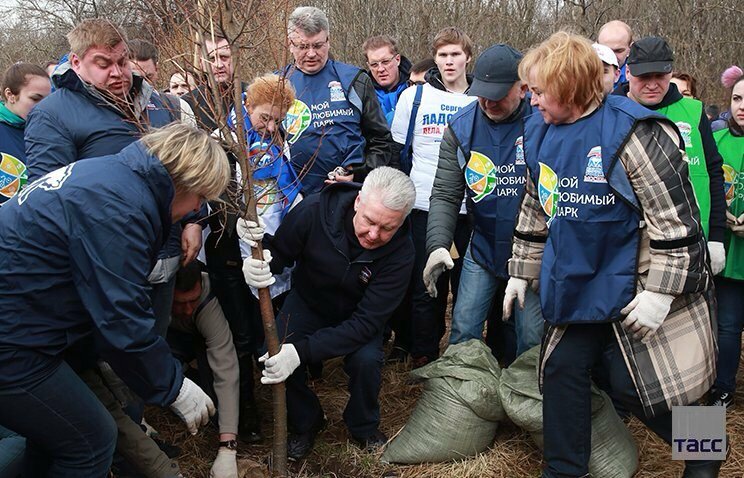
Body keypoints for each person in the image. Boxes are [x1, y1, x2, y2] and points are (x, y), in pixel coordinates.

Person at [505, 31, 721, 478]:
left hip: (634, 280)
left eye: (541, 91)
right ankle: (565, 470)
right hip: (576, 279)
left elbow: (676, 220)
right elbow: (535, 204)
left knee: (644, 386)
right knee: (562, 372)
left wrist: (662, 292)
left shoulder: (635, 132)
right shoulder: (539, 131)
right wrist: (520, 271)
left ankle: (705, 449)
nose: (534, 100)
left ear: (569, 87)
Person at [0, 123, 228, 476]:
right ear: (185, 181)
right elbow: (121, 315)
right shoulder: (120, 208)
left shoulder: (112, 175)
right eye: (200, 197)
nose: (196, 208)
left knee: (53, 439)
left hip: (24, 322)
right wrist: (172, 386)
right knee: (89, 444)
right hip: (12, 339)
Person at [242, 167, 415, 460]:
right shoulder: (313, 211)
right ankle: (307, 421)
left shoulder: (402, 253)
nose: (374, 234)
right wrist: (258, 262)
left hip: (357, 317)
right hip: (310, 302)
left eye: (388, 228)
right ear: (358, 201)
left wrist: (301, 352)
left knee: (367, 361)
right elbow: (279, 253)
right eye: (370, 221)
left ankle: (362, 425)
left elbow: (365, 324)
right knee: (271, 355)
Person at [424, 43, 544, 358]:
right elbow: (447, 193)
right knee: (463, 325)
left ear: (522, 88)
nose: (488, 102)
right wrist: (438, 243)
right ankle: (460, 394)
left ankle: (528, 397)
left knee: (531, 334)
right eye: (482, 93)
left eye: (498, 94)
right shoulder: (461, 127)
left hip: (532, 250)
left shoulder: (543, 122)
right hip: (484, 244)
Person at [205, 73, 300, 442]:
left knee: (274, 329)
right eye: (265, 117)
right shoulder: (223, 142)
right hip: (232, 254)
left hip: (272, 247)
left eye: (278, 119)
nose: (271, 125)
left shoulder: (278, 142)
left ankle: (285, 409)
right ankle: (244, 418)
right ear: (247, 106)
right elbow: (210, 196)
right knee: (240, 338)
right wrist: (233, 223)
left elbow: (286, 189)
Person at [389, 27, 476, 366]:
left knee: (467, 286)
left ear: (467, 56)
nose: (449, 61)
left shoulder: (479, 98)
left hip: (471, 208)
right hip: (425, 205)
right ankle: (423, 354)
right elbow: (397, 151)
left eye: (455, 54)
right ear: (434, 60)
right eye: (442, 55)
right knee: (427, 284)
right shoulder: (416, 98)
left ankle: (464, 359)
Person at [615, 36, 727, 276]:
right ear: (628, 73)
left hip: (687, 245)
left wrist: (717, 236)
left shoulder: (693, 111)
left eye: (660, 76)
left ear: (671, 72)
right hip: (625, 247)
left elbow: (714, 172)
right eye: (644, 77)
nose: (653, 84)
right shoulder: (611, 111)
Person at [283, 6, 394, 192]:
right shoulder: (277, 84)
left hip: (348, 193)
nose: (311, 53)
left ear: (328, 41)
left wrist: (358, 173)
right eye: (303, 46)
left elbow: (381, 141)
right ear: (290, 44)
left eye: (318, 45)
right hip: (293, 196)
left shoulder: (355, 79)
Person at [167, 261, 241, 478]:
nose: (188, 309)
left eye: (193, 300)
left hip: (196, 336)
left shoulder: (207, 299)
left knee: (215, 395)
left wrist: (228, 448)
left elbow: (226, 367)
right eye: (181, 303)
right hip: (162, 338)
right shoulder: (149, 294)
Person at [708, 65, 744, 409]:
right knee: (728, 327)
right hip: (729, 254)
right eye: (736, 98)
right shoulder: (716, 139)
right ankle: (721, 389)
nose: (742, 106)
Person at [0, 63, 50, 206]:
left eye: (48, 100)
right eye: (35, 99)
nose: (44, 106)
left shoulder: (50, 131)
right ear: (10, 95)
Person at [362, 35, 412, 124]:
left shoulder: (416, 88)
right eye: (374, 65)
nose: (380, 69)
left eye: (385, 62)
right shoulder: (362, 95)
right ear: (368, 65)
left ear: (397, 59)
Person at [597, 20, 632, 87]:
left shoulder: (636, 77)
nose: (612, 56)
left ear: (630, 49)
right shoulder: (584, 73)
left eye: (618, 51)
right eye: (606, 50)